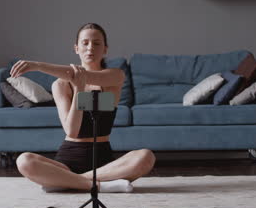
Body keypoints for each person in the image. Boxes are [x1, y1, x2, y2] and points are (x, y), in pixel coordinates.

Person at [11, 23, 156, 193]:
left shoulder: (115, 77)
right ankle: (97, 185)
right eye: (85, 43)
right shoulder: (61, 85)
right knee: (24, 161)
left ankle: (66, 182)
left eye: (96, 43)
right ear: (76, 48)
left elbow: (83, 76)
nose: (90, 48)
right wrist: (79, 90)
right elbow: (72, 131)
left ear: (105, 49)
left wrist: (37, 65)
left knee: (146, 156)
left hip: (104, 164)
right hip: (68, 160)